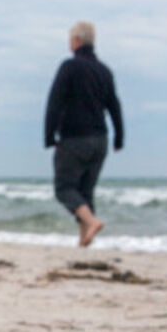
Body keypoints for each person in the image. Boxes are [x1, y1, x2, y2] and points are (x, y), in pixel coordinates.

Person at [44, 21, 123, 247]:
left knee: (64, 188)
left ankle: (91, 222)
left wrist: (49, 136)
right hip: (100, 140)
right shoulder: (104, 71)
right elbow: (114, 106)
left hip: (74, 138)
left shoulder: (69, 67)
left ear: (76, 41)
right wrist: (119, 137)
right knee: (85, 192)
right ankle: (84, 243)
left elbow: (54, 101)